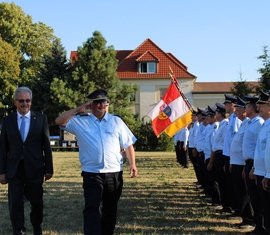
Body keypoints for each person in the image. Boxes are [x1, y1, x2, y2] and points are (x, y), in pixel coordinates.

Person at [55, 89, 138, 235]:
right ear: (91, 105)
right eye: (97, 102)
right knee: (92, 208)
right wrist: (78, 109)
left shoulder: (116, 121)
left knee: (110, 209)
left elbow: (128, 144)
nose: (101, 105)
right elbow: (59, 121)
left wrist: (133, 164)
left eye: (104, 102)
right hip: (92, 174)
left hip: (114, 173)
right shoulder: (80, 122)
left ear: (108, 104)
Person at [0, 86, 53, 235]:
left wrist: (49, 168)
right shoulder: (7, 121)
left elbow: (46, 145)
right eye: (21, 101)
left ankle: (37, 226)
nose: (25, 104)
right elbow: (3, 147)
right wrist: (2, 171)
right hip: (14, 169)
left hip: (35, 168)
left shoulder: (41, 119)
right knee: (15, 203)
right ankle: (19, 230)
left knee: (37, 203)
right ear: (15, 102)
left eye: (28, 100)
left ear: (31, 101)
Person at [250, 90, 270, 234]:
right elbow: (260, 149)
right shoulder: (265, 125)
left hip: (266, 173)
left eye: (263, 105)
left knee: (267, 206)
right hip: (261, 170)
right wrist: (255, 167)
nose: (259, 108)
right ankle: (261, 228)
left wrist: (268, 173)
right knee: (262, 204)